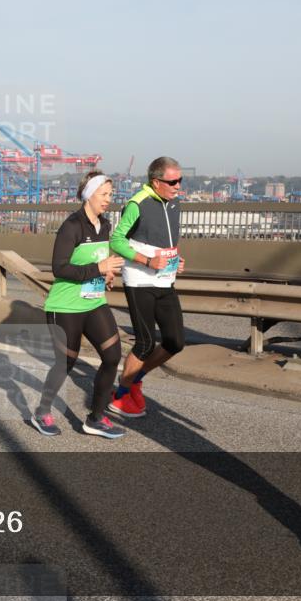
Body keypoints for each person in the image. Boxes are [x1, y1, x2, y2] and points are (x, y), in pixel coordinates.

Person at [31, 170, 125, 439]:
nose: (109, 199)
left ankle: (95, 418)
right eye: (104, 194)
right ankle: (42, 412)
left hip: (93, 302)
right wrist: (99, 267)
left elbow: (98, 264)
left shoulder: (105, 226)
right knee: (65, 363)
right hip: (66, 306)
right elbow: (59, 268)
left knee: (112, 356)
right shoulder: (72, 225)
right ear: (89, 194)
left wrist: (105, 275)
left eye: (110, 195)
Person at [107, 156, 186, 418]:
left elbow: (166, 242)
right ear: (156, 181)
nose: (178, 186)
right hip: (140, 280)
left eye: (180, 180)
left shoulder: (174, 205)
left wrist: (176, 260)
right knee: (145, 343)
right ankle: (118, 396)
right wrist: (147, 260)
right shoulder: (137, 203)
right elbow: (116, 241)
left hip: (165, 280)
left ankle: (136, 379)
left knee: (175, 341)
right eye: (173, 181)